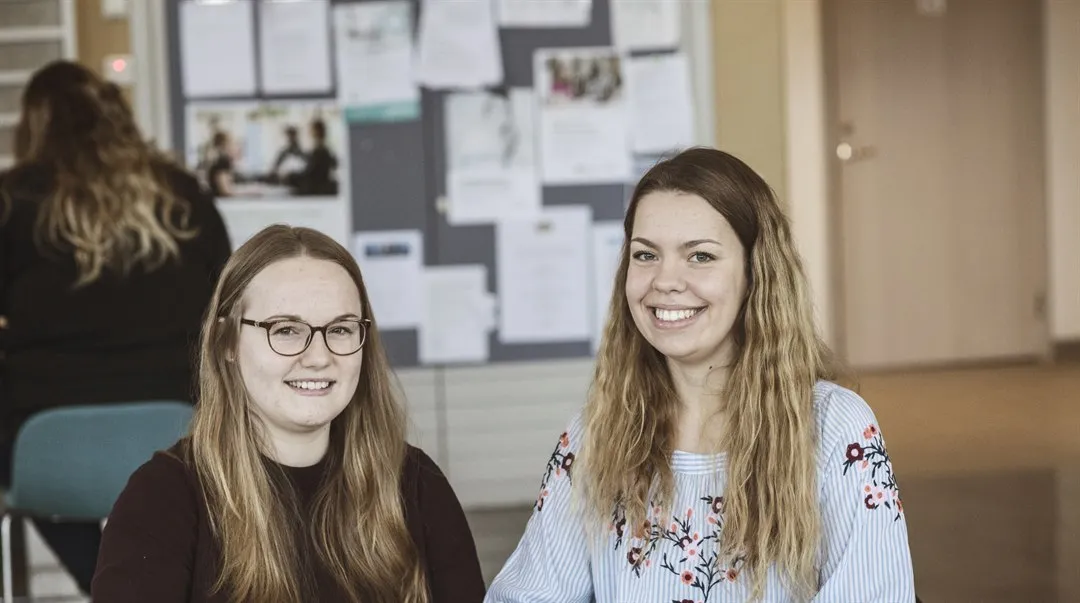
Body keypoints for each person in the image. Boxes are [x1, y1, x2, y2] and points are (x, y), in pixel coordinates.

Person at [485, 148, 916, 602]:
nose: (665, 280)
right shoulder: (594, 438)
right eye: (646, 255)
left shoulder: (835, 429)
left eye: (700, 257)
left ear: (755, 274)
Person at [91, 225, 487, 603]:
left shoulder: (416, 484)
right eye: (285, 330)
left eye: (341, 329)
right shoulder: (163, 499)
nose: (319, 357)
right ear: (226, 341)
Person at [0, 60, 232, 595]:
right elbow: (226, 304)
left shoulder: (14, 199)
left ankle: (111, 583)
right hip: (177, 438)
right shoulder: (182, 195)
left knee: (29, 442)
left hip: (45, 449)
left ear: (34, 125)